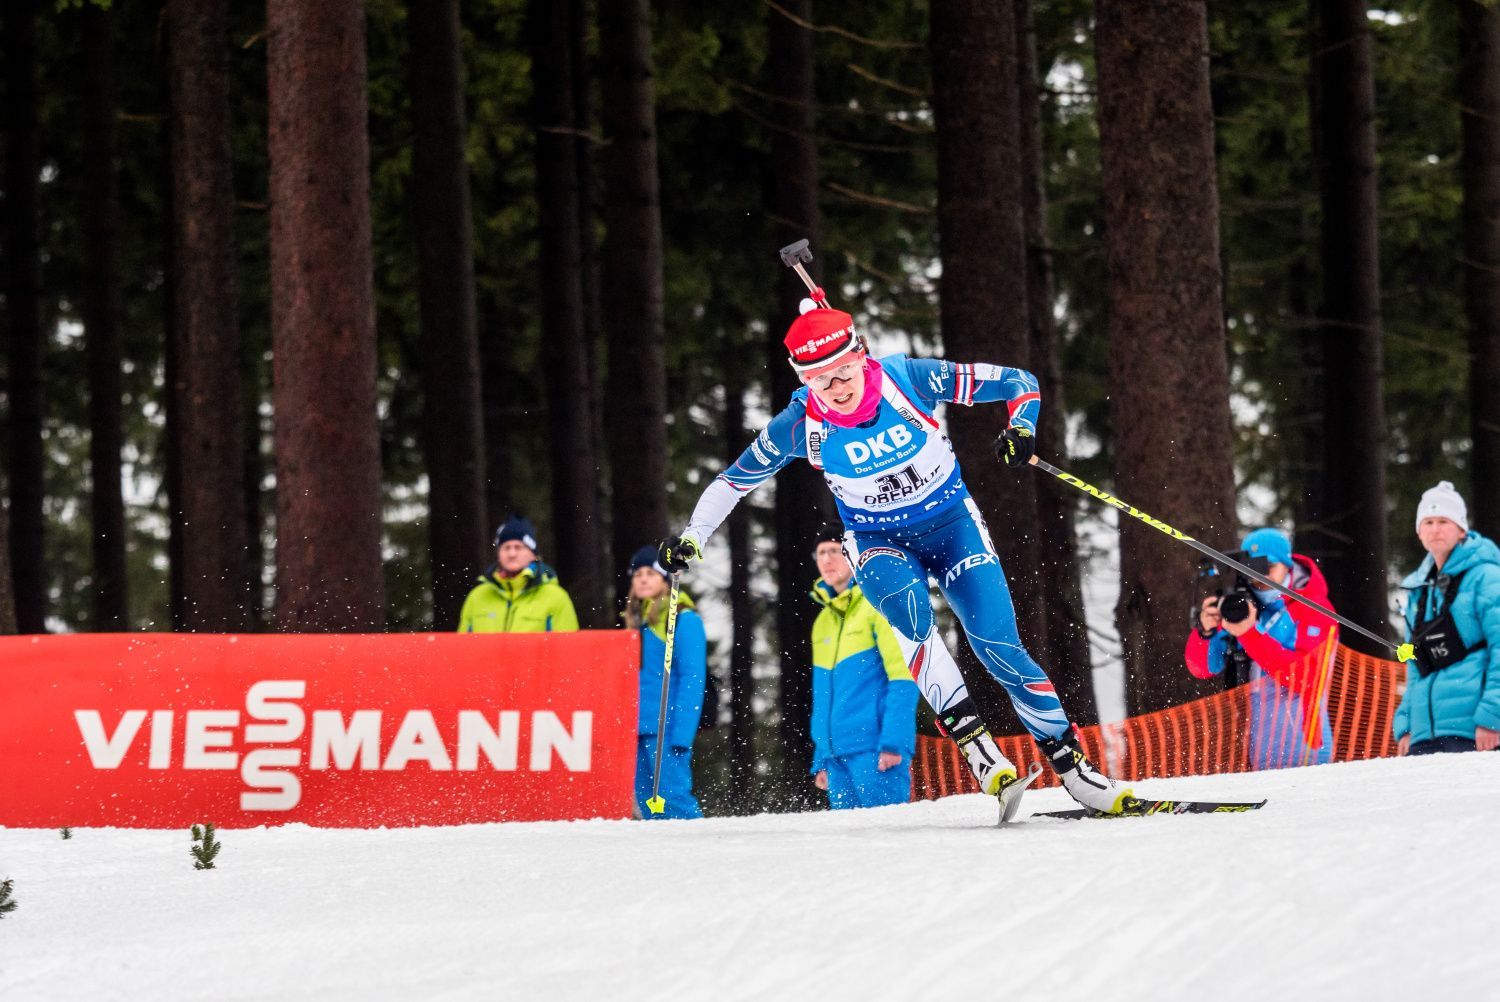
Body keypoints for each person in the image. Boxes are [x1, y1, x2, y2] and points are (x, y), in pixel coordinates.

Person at [656, 299, 1132, 815]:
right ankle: (979, 750)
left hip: (953, 527)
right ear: (804, 382)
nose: (838, 389)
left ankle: (1072, 767)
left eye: (843, 372)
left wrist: (1021, 427)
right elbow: (733, 482)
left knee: (998, 643)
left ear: (861, 355)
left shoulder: (910, 379)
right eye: (821, 382)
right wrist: (693, 536)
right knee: (910, 614)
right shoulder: (799, 426)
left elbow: (1018, 380)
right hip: (879, 541)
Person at [1185, 527, 1336, 769]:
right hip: (1258, 749)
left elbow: (1305, 678)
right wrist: (1205, 632)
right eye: (1252, 568)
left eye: (1268, 567)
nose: (1260, 577)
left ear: (1287, 565)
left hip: (1305, 747)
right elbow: (1201, 668)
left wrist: (1249, 634)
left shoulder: (1314, 607)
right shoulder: (1242, 606)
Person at [808, 523, 919, 809]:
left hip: (876, 750)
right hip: (836, 759)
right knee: (851, 850)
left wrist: (895, 742)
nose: (827, 559)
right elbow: (823, 697)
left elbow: (904, 678)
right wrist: (822, 756)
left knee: (888, 844)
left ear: (851, 554)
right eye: (820, 553)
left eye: (834, 551)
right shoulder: (823, 622)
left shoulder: (877, 603)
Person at [1393, 482, 1500, 756]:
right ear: (1419, 532)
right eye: (1428, 521)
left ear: (1462, 529)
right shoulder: (1418, 591)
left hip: (1474, 731)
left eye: (1444, 520)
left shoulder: (1487, 577)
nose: (1435, 528)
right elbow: (1415, 662)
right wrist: (1406, 724)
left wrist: (1493, 716)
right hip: (1423, 735)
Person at [625, 545, 707, 819]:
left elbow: (692, 680)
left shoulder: (684, 619)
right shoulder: (636, 624)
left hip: (667, 730)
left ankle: (702, 854)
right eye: (637, 574)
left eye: (650, 573)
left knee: (674, 800)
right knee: (648, 805)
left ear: (663, 578)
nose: (643, 579)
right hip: (637, 728)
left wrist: (682, 734)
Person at [457, 516, 579, 633]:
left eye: (518, 547)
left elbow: (568, 649)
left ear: (533, 554)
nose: (512, 554)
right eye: (506, 547)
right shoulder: (477, 597)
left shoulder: (556, 597)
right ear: (498, 553)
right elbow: (461, 649)